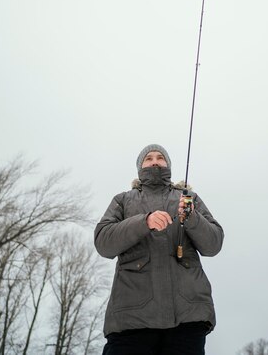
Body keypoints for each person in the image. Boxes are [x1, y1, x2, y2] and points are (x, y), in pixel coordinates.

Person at [94, 143, 224, 355]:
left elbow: (213, 244)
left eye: (160, 157)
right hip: (131, 319)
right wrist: (144, 222)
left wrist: (192, 218)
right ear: (140, 167)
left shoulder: (188, 198)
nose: (155, 161)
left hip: (188, 318)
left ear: (168, 164)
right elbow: (103, 243)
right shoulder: (123, 200)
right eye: (149, 158)